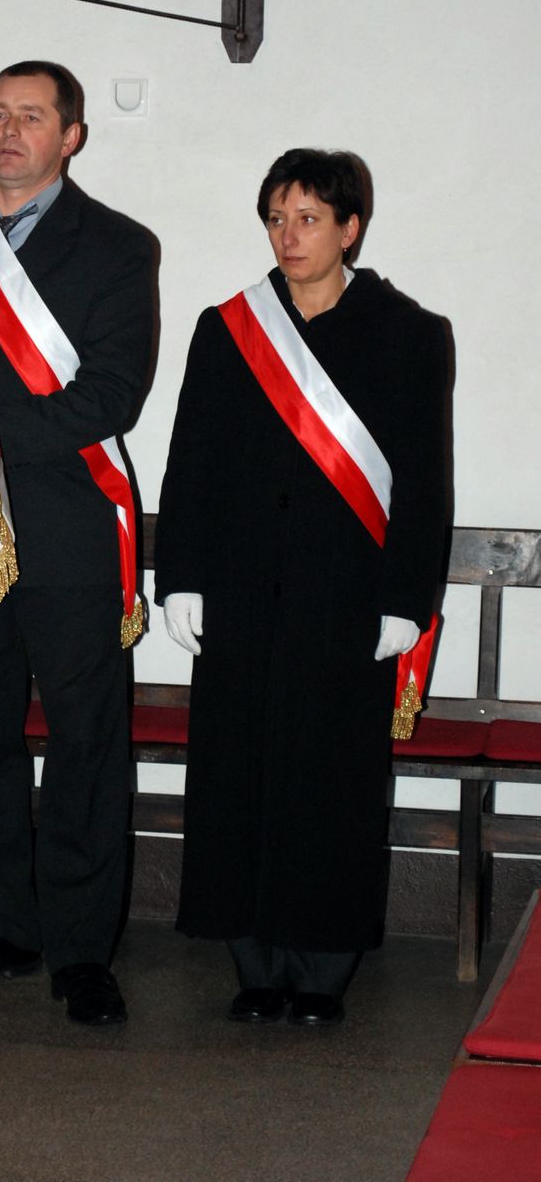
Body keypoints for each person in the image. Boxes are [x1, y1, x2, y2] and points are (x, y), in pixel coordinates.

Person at [154, 148, 449, 1025]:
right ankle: (252, 962)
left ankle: (321, 968)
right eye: (276, 219)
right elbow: (191, 460)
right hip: (240, 595)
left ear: (349, 229)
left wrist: (405, 601)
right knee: (237, 773)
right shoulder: (227, 327)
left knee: (331, 782)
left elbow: (423, 481)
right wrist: (181, 577)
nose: (288, 236)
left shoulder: (408, 333)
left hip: (344, 600)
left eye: (308, 219)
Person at [0, 61, 154, 1026]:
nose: (8, 131)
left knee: (84, 743)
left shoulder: (118, 246)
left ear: (70, 137)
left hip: (67, 530)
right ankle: (6, 925)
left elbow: (111, 393)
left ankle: (81, 949)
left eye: (30, 116)